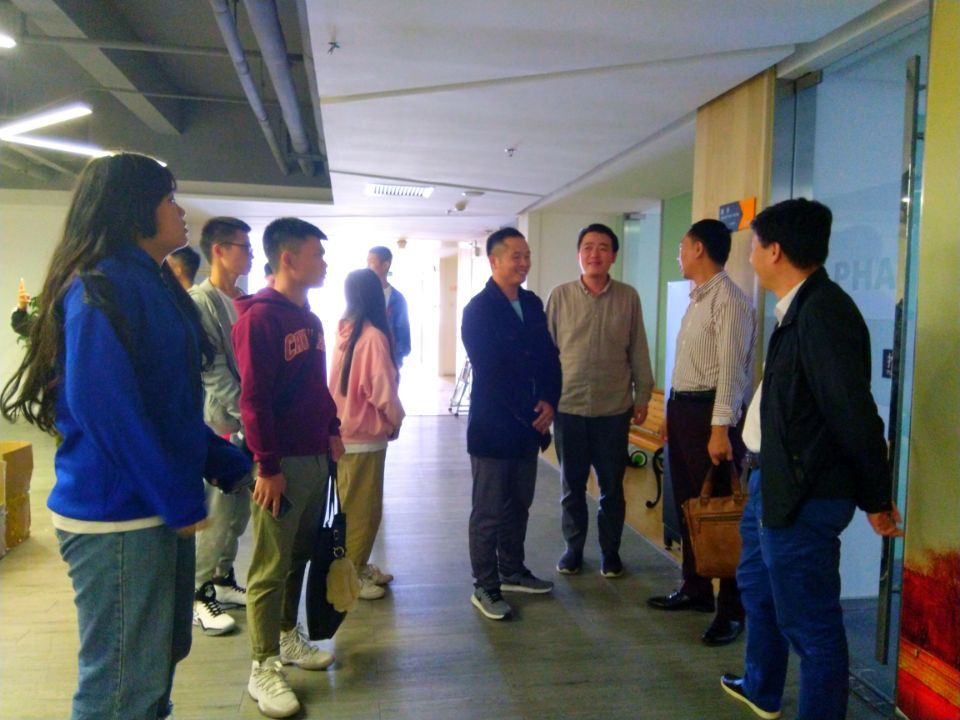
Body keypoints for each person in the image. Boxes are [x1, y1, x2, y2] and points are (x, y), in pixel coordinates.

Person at [0, 153, 250, 720]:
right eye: (169, 199)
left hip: (153, 507)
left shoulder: (150, 281)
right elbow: (107, 410)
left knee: (157, 661)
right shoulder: (100, 288)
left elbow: (167, 404)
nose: (180, 212)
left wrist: (221, 458)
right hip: (118, 514)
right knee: (120, 685)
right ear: (135, 207)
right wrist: (175, 495)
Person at [721, 198, 903, 720]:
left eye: (755, 245)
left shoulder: (824, 314)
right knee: (759, 590)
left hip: (803, 494)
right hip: (771, 484)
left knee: (810, 624)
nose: (750, 256)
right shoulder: (797, 308)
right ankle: (762, 687)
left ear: (775, 251)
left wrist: (876, 497)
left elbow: (855, 415)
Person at [232, 217, 344, 719]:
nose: (324, 262)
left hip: (316, 456)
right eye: (317, 254)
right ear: (288, 259)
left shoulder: (311, 319)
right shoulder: (258, 320)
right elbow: (252, 400)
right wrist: (266, 465)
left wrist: (333, 428)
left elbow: (317, 386)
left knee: (297, 555)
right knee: (269, 566)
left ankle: (285, 637)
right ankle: (262, 665)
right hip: (280, 465)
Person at [647, 219, 756, 647]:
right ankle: (695, 588)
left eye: (681, 246)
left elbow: (732, 371)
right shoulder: (698, 298)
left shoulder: (729, 300)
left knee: (723, 511)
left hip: (711, 415)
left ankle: (731, 610)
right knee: (691, 505)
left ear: (698, 249)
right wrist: (670, 413)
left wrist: (720, 429)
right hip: (686, 412)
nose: (679, 254)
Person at [461, 227, 562, 620]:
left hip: (528, 428)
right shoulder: (478, 310)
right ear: (494, 260)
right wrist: (534, 411)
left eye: (527, 255)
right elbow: (492, 372)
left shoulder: (532, 303)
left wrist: (550, 401)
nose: (524, 263)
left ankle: (512, 570)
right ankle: (484, 585)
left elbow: (549, 357)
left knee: (519, 505)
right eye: (516, 256)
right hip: (493, 427)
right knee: (488, 511)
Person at [546, 223, 654, 577]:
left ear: (614, 256)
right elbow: (547, 353)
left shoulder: (628, 297)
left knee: (612, 488)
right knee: (572, 487)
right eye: (588, 247)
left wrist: (643, 395)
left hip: (613, 410)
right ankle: (573, 550)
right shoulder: (560, 296)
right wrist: (543, 398)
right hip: (569, 407)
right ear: (579, 254)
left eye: (603, 247)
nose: (595, 254)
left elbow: (638, 348)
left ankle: (611, 552)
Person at [189, 216, 255, 635]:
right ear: (219, 250)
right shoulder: (200, 302)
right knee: (217, 508)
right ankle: (199, 594)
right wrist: (247, 413)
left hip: (248, 421)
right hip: (222, 420)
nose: (250, 255)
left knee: (239, 509)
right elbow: (212, 369)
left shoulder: (245, 299)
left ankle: (223, 578)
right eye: (243, 247)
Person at [328, 268, 405, 601]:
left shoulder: (345, 331)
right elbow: (382, 390)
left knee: (354, 508)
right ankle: (353, 574)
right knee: (363, 512)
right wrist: (395, 419)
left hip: (346, 432)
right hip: (364, 437)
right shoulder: (372, 336)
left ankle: (357, 567)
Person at [367, 246, 411, 368]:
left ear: (385, 265)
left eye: (371, 261)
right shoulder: (362, 295)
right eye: (367, 261)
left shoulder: (397, 299)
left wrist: (393, 360)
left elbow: (403, 337)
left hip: (388, 363)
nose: (367, 266)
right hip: (365, 360)